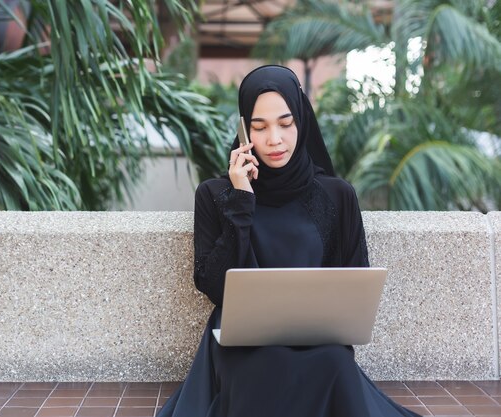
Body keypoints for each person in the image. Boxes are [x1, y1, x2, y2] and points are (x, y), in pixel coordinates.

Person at [157, 65, 420, 417]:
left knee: (335, 364)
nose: (274, 139)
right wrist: (241, 202)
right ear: (243, 129)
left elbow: (354, 283)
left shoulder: (336, 195)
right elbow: (214, 288)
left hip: (318, 340)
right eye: (259, 126)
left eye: (286, 123)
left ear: (302, 120)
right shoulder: (216, 194)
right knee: (260, 367)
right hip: (242, 342)